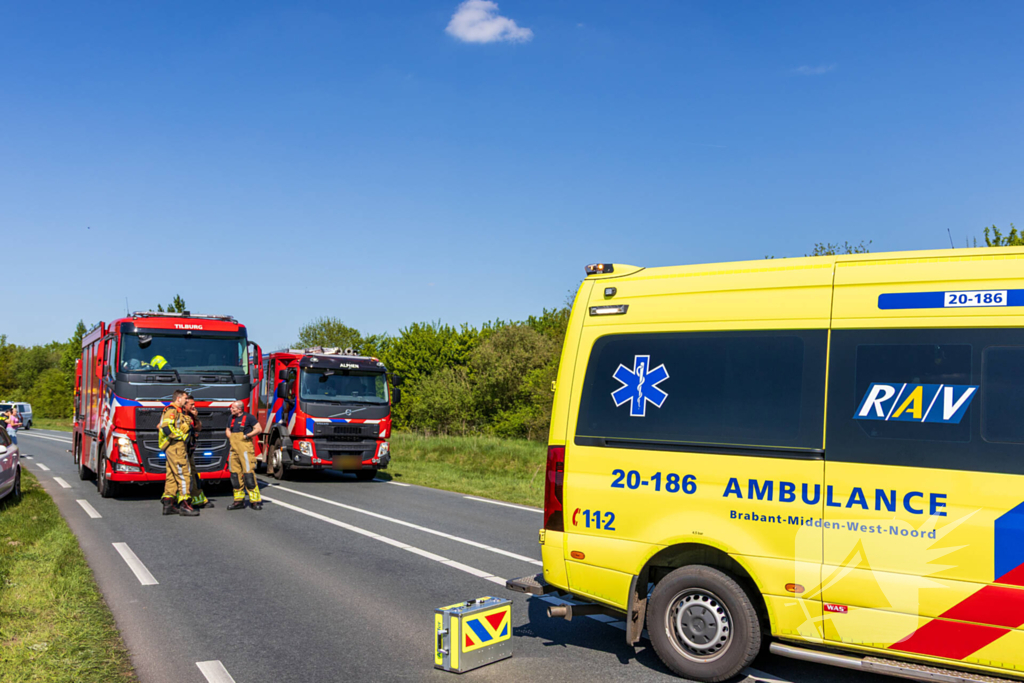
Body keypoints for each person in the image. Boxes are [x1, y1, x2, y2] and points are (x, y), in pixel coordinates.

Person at [159, 389, 199, 517]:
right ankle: (185, 504)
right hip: (176, 446)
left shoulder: (179, 412)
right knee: (183, 474)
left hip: (173, 446)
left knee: (171, 475)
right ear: (178, 398)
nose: (186, 400)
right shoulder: (173, 410)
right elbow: (166, 427)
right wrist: (181, 436)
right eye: (185, 398)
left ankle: (168, 503)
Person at [225, 400, 263, 510]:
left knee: (248, 475)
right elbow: (227, 430)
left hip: (245, 449)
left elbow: (258, 429)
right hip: (234, 449)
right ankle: (238, 501)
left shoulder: (249, 417)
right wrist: (230, 437)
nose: (231, 410)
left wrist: (247, 436)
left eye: (233, 408)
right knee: (235, 475)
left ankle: (255, 501)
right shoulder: (230, 418)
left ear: (240, 409)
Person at [183, 395, 212, 509]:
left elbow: (198, 428)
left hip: (189, 449)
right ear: (184, 406)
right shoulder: (178, 415)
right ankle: (183, 501)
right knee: (186, 476)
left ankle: (198, 499)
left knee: (193, 474)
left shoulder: (191, 416)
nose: (194, 406)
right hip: (181, 451)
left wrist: (196, 418)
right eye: (191, 404)